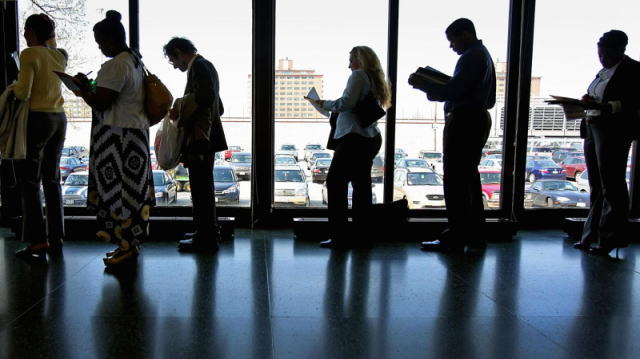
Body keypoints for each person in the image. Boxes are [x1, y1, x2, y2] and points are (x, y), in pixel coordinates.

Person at [74, 10, 155, 268]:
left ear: (111, 40)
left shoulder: (116, 64)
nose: (100, 48)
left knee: (118, 194)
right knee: (133, 194)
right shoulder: (134, 62)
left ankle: (126, 246)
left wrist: (83, 90)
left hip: (117, 140)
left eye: (100, 43)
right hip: (134, 136)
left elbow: (102, 101)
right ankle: (129, 245)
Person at [409, 18, 496, 252]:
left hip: (464, 120)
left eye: (452, 40)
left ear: (466, 34)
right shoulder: (484, 55)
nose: (452, 46)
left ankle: (456, 236)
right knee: (468, 179)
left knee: (456, 181)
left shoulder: (470, 57)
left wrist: (425, 85)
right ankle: (475, 235)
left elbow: (454, 90)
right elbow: (489, 99)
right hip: (477, 118)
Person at [306, 46, 390, 248]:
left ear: (360, 60)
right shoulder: (375, 79)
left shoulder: (359, 75)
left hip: (353, 138)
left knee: (335, 184)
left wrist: (322, 102)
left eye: (351, 60)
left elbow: (346, 103)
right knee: (361, 187)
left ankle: (339, 236)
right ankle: (362, 235)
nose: (349, 65)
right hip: (370, 137)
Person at [573, 30, 640, 257]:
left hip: (613, 130)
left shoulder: (633, 70)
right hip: (594, 126)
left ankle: (610, 238)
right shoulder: (604, 72)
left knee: (611, 184)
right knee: (597, 184)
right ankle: (591, 235)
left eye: (605, 54)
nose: (602, 59)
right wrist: (588, 101)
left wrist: (607, 107)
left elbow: (633, 102)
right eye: (600, 54)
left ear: (619, 50)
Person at [163, 37, 228, 253]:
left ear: (179, 52)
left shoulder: (199, 66)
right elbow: (219, 107)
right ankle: (205, 231)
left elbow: (206, 98)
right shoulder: (206, 65)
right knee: (202, 188)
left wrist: (180, 107)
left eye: (173, 60)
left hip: (201, 140)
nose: (174, 65)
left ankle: (206, 237)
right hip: (206, 137)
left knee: (201, 190)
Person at [13, 14, 68, 263]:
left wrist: (11, 88)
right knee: (52, 179)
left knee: (30, 181)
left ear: (33, 33)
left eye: (26, 30)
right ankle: (56, 237)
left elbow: (23, 92)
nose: (24, 35)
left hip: (37, 119)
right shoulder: (59, 56)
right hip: (59, 119)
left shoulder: (29, 54)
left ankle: (37, 240)